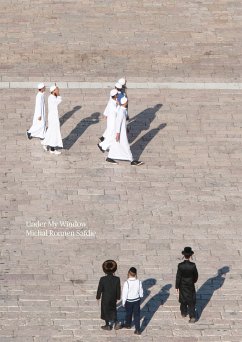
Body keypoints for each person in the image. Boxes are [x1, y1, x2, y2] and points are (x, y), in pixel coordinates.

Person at [106, 97, 143, 166]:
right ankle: (132, 160)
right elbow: (118, 122)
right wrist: (117, 133)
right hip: (120, 132)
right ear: (125, 102)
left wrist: (125, 128)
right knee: (125, 145)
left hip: (121, 131)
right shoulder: (121, 111)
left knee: (116, 144)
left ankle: (109, 157)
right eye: (127, 101)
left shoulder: (122, 110)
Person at [96, 260, 122, 331]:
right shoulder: (117, 279)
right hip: (113, 298)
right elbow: (118, 289)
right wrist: (118, 297)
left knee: (105, 311)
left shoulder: (102, 279)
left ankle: (107, 325)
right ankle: (116, 322)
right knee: (113, 309)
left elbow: (100, 289)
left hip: (105, 299)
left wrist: (98, 297)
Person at [175, 247, 198, 323]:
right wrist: (193, 281)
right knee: (191, 300)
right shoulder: (193, 265)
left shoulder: (180, 265)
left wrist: (177, 286)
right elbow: (196, 276)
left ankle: (184, 312)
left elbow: (178, 276)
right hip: (190, 284)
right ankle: (192, 316)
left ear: (184, 255)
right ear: (190, 256)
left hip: (182, 285)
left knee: (183, 299)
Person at [41, 85, 63, 155]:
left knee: (52, 131)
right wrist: (58, 94)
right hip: (53, 118)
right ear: (53, 91)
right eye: (57, 89)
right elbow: (59, 101)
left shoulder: (52, 97)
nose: (58, 90)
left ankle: (47, 144)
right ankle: (51, 148)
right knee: (54, 131)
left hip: (53, 117)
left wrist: (57, 92)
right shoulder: (52, 98)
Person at [122, 267, 143, 335]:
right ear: (135, 274)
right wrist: (141, 297)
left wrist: (123, 302)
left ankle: (128, 324)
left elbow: (124, 293)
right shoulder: (139, 281)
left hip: (129, 301)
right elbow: (141, 291)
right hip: (137, 300)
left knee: (128, 313)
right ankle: (138, 329)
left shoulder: (126, 283)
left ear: (128, 273)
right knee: (137, 315)